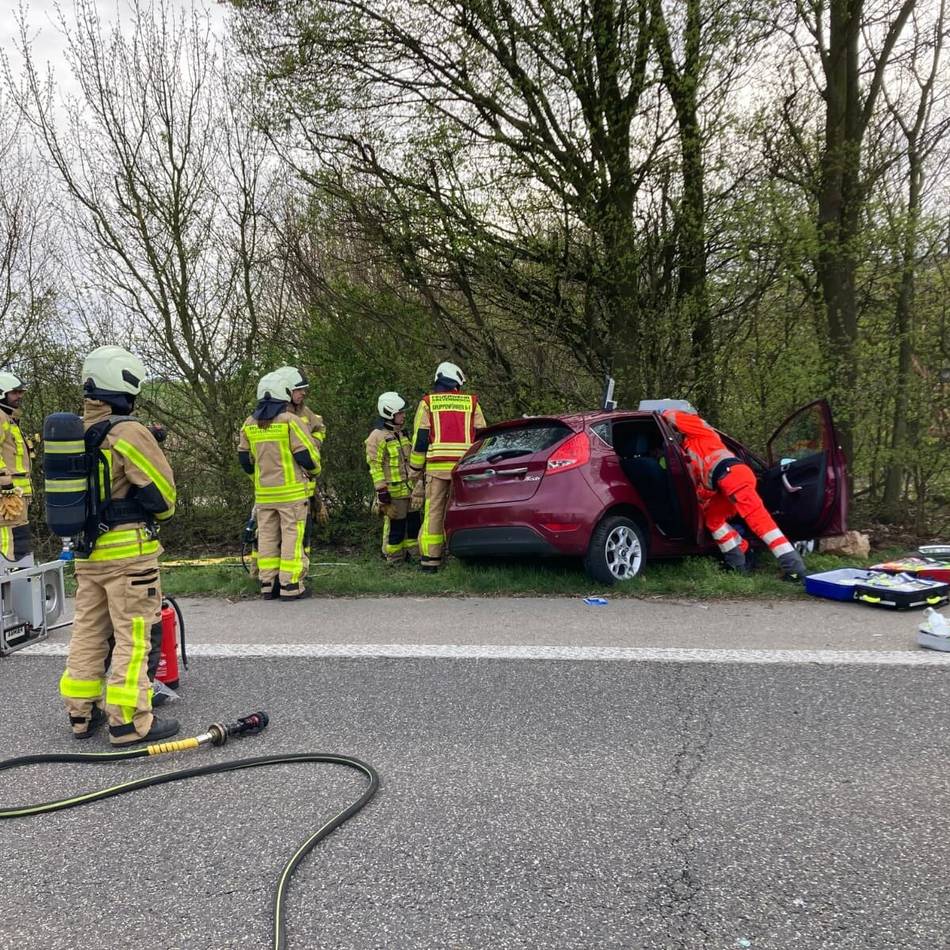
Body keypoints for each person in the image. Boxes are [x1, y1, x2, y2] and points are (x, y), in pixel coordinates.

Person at [59, 346, 179, 744]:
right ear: (125, 384)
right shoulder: (128, 432)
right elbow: (163, 500)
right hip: (129, 556)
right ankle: (128, 721)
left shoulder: (75, 431)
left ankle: (81, 714)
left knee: (89, 632)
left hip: (86, 554)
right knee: (133, 636)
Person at [662, 404, 808, 581]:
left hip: (733, 476)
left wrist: (664, 411)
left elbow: (677, 418)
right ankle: (738, 562)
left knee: (760, 522)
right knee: (713, 520)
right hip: (723, 483)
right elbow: (703, 481)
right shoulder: (687, 448)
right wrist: (701, 499)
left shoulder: (699, 429)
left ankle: (794, 569)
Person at [238, 370, 321, 601]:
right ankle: (290, 585)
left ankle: (268, 584)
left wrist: (258, 479)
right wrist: (314, 472)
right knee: (292, 539)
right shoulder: (289, 421)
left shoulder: (250, 424)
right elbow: (306, 455)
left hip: (264, 496)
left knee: (266, 538)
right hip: (292, 495)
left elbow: (244, 459)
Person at [408, 361, 486, 573]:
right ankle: (463, 557)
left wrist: (414, 471)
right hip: (464, 470)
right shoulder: (472, 403)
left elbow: (421, 440)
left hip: (436, 468)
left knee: (434, 512)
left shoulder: (428, 403)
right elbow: (482, 436)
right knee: (464, 512)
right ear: (457, 383)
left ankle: (430, 561)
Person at [366, 392, 420, 564]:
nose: (404, 415)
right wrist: (382, 492)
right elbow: (375, 466)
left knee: (413, 525)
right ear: (389, 413)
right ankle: (394, 559)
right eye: (400, 413)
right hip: (393, 492)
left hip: (410, 490)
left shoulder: (402, 433)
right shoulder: (377, 436)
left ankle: (413, 554)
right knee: (396, 527)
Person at [0, 372, 34, 562]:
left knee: (18, 534)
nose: (19, 396)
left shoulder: (8, 418)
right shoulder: (0, 417)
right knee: (8, 536)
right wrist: (5, 484)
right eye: (15, 392)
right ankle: (7, 571)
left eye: (20, 392)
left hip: (17, 493)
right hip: (8, 493)